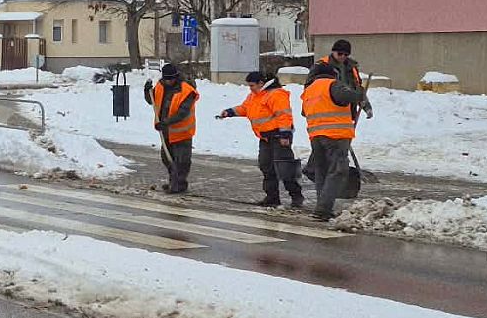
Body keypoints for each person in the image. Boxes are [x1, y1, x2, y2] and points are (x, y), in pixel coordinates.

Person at [216, 70, 304, 208]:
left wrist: (285, 135)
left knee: (284, 168)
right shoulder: (254, 96)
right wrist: (230, 112)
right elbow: (245, 108)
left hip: (278, 136)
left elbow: (284, 115)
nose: (250, 88)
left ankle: (296, 196)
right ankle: (272, 197)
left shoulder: (276, 94)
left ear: (261, 83)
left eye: (252, 85)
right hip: (265, 137)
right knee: (266, 167)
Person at [301, 60, 364, 222]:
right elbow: (348, 96)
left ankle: (321, 206)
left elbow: (304, 112)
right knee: (338, 171)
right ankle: (323, 209)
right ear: (333, 74)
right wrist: (359, 94)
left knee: (321, 171)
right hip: (336, 136)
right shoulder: (333, 84)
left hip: (316, 136)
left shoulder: (309, 90)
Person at [143, 64, 198, 193]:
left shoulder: (187, 90)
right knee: (167, 158)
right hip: (166, 132)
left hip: (182, 132)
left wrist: (165, 122)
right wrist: (147, 90)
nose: (168, 82)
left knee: (181, 161)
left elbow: (182, 113)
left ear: (176, 77)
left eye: (170, 79)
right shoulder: (160, 86)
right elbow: (152, 100)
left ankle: (179, 184)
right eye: (166, 79)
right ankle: (174, 181)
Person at [320, 39, 374, 122]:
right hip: (329, 115)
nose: (342, 56)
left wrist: (367, 107)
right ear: (333, 51)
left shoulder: (351, 68)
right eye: (340, 53)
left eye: (346, 54)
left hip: (347, 117)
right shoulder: (324, 66)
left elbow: (357, 89)